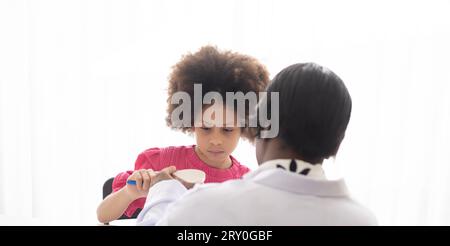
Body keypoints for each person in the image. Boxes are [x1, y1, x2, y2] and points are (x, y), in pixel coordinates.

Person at [136, 63, 378, 225]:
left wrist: (164, 190)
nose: (216, 139)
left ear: (261, 121)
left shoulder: (205, 206)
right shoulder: (363, 220)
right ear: (338, 142)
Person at [96, 46, 270, 224]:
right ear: (191, 123)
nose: (216, 140)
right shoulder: (162, 163)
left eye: (227, 130)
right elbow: (103, 215)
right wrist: (130, 193)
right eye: (206, 128)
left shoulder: (244, 182)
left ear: (244, 127)